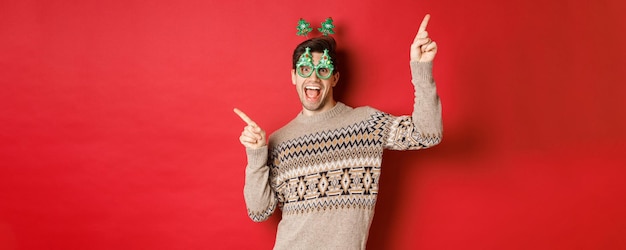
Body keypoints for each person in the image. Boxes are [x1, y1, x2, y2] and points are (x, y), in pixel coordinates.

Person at [234, 14, 442, 250]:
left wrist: (421, 68)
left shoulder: (366, 124)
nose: (313, 78)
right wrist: (256, 156)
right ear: (293, 76)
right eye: (304, 69)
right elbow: (259, 212)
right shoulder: (279, 141)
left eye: (322, 70)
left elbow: (428, 134)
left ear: (334, 78)